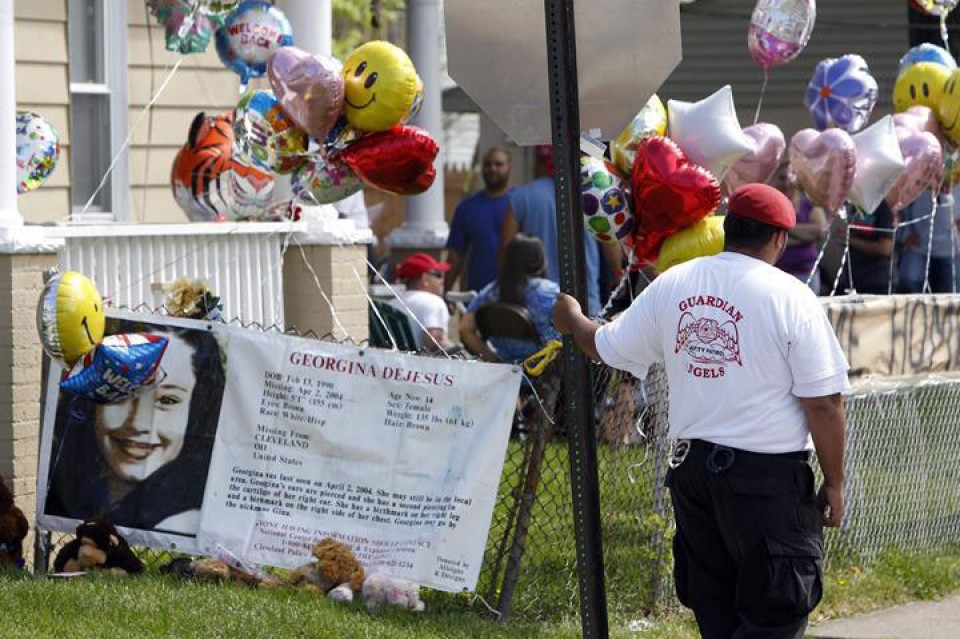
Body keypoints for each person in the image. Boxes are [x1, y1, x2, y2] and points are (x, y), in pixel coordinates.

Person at [553, 183, 849, 639]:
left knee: (717, 611)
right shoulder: (792, 297)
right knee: (775, 613)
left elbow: (604, 346)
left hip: (694, 476)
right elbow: (824, 403)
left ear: (727, 229)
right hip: (766, 480)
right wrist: (835, 481)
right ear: (779, 239)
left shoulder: (676, 282)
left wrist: (572, 319)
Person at [45, 321, 226, 535]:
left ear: (198, 412)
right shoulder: (61, 491)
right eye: (124, 393)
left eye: (167, 400)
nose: (139, 423)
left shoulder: (181, 523)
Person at [499, 145, 621, 317]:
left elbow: (505, 252)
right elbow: (610, 245)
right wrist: (617, 274)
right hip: (584, 304)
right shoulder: (592, 195)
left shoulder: (520, 197)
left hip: (534, 307)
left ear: (539, 162)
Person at [460, 234, 560, 363]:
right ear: (539, 260)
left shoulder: (490, 292)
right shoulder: (551, 292)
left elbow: (465, 329)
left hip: (507, 373)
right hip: (545, 371)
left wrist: (493, 360)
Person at [445, 148, 513, 294]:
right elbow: (455, 255)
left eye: (498, 164)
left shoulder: (520, 203)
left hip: (514, 293)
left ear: (509, 167)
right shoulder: (467, 207)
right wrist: (446, 290)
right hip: (477, 294)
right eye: (488, 164)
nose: (492, 168)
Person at [771, 162, 827, 293]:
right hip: (778, 276)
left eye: (791, 177)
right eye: (782, 178)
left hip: (807, 275)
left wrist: (782, 228)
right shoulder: (771, 206)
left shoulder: (810, 203)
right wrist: (806, 236)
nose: (787, 182)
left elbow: (819, 232)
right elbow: (768, 237)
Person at [896, 189, 957, 293]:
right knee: (909, 284)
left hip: (950, 250)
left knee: (950, 294)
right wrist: (905, 235)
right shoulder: (918, 183)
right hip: (918, 249)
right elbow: (898, 209)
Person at [391, 252, 454, 353]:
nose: (442, 281)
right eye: (438, 275)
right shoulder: (434, 302)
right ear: (425, 279)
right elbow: (435, 342)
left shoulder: (392, 303)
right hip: (422, 366)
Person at [835, 200, 896, 295]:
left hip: (876, 282)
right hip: (853, 279)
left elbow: (886, 248)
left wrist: (850, 240)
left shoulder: (881, 208)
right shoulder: (854, 207)